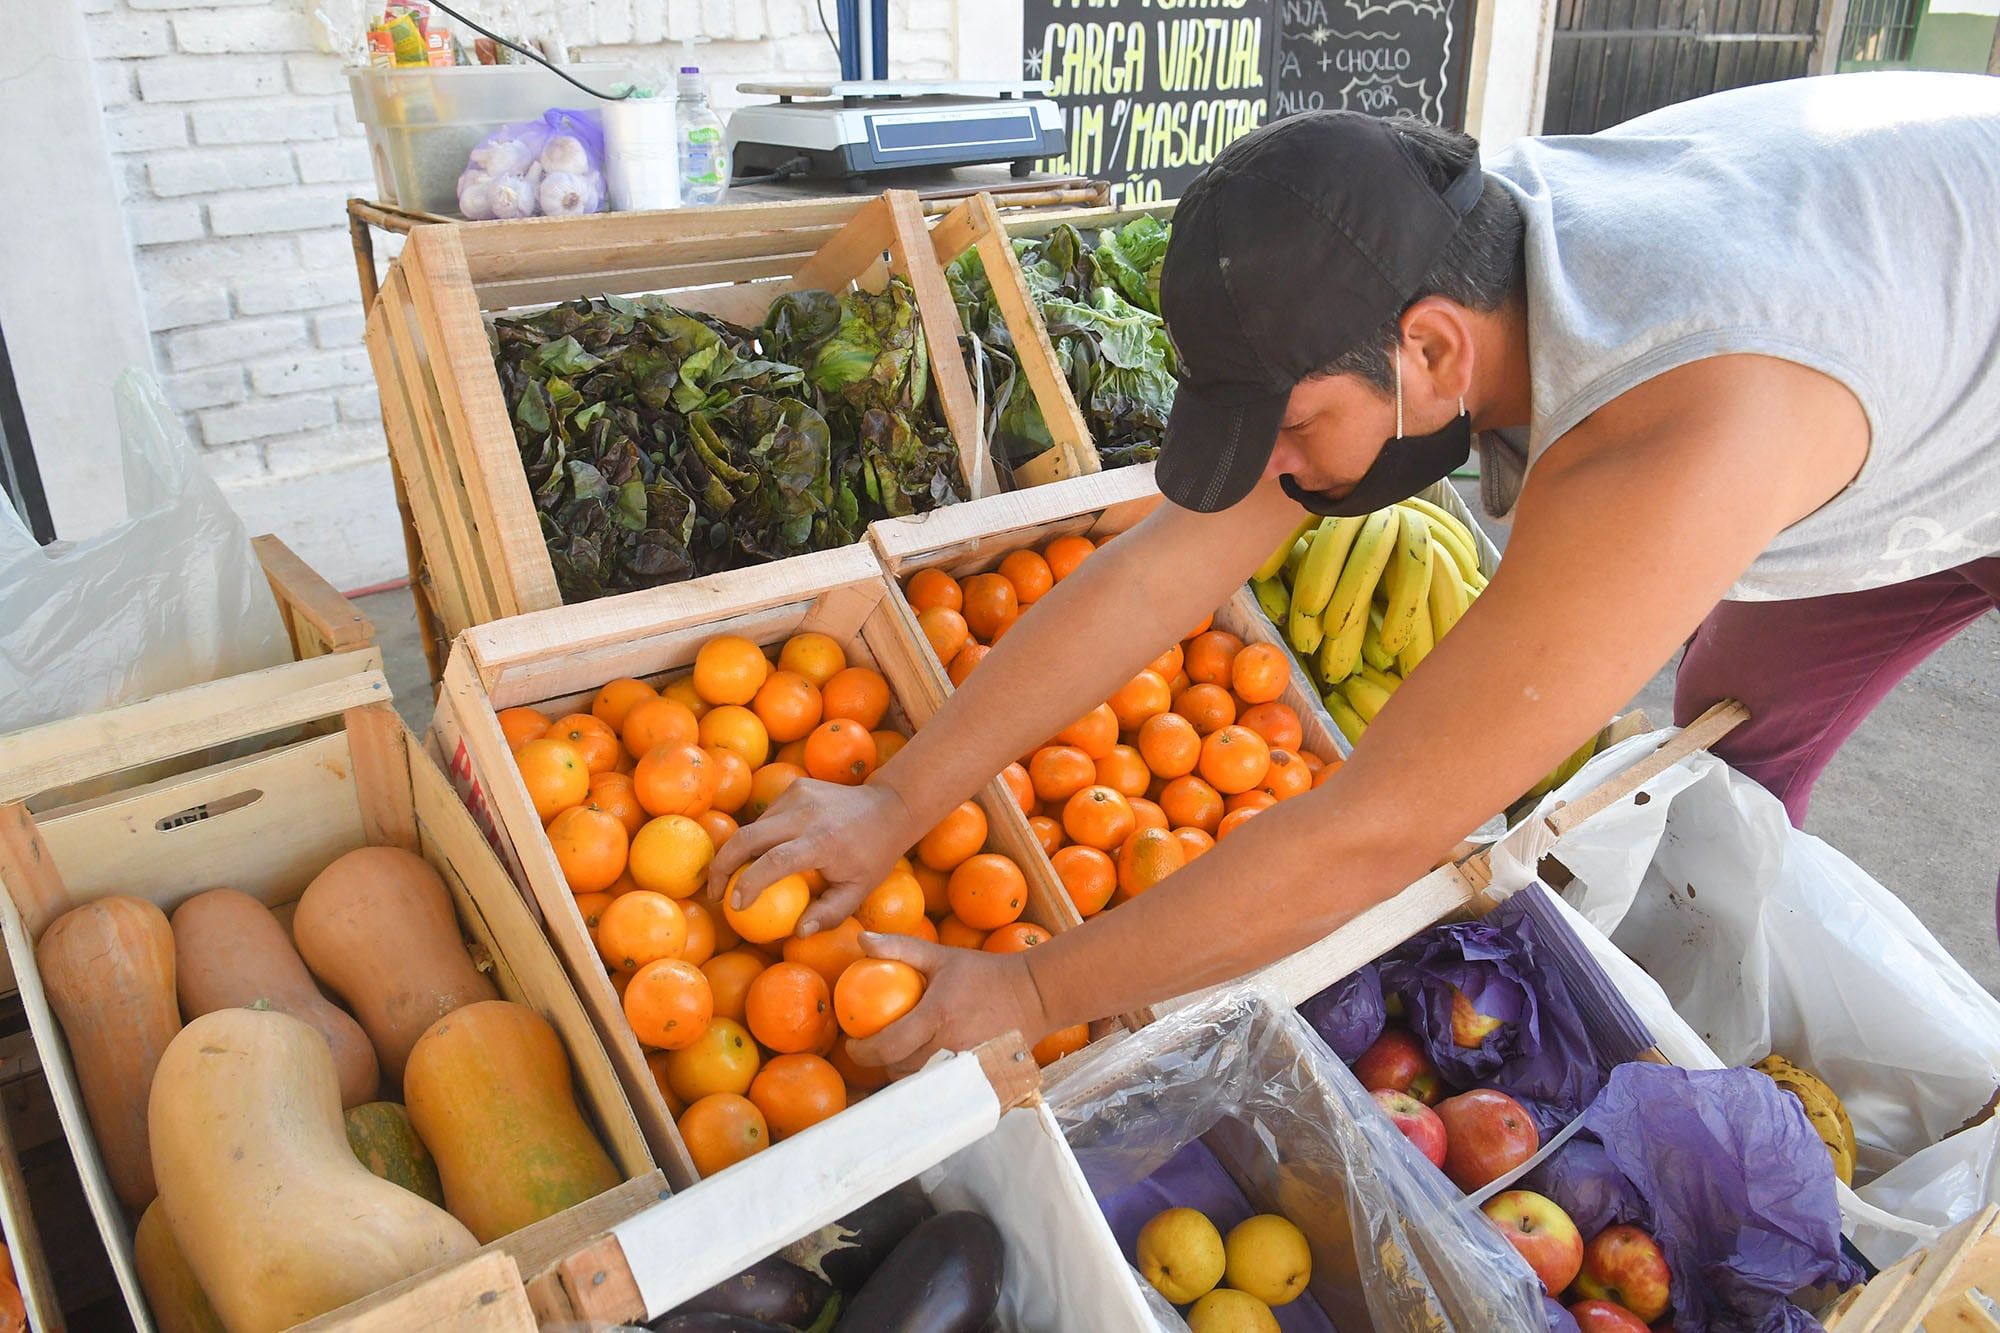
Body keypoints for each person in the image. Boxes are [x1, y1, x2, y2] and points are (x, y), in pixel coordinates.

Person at [709, 71, 2000, 1074]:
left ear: (1431, 351)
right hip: (1901, 328)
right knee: (1734, 750)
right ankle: (1714, 981)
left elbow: (1379, 828)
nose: (1276, 467)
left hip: (1898, 349)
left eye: (1290, 427)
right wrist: (894, 800)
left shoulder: (1672, 427)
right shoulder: (1442, 252)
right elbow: (1162, 571)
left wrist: (1031, 989)